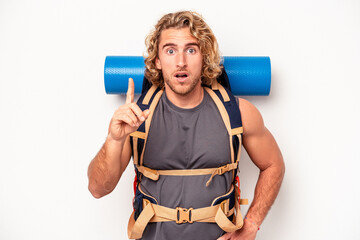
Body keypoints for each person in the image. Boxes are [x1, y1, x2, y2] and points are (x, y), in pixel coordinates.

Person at [88, 11, 285, 240]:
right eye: (170, 51)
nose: (181, 62)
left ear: (204, 57)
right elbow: (97, 188)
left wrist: (251, 224)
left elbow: (274, 164)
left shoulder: (238, 113)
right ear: (157, 61)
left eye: (191, 50)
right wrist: (114, 139)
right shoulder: (136, 118)